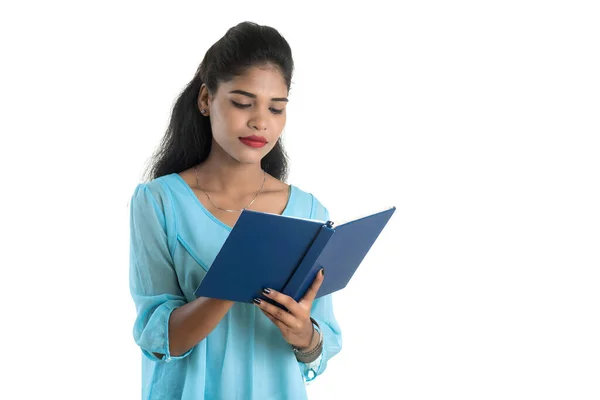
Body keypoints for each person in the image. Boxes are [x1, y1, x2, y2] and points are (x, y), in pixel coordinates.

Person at [128, 21, 342, 399]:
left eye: (276, 108)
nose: (260, 121)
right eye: (243, 103)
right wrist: (230, 283)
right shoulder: (160, 201)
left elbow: (318, 349)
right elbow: (160, 339)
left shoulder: (307, 211)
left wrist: (304, 335)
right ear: (206, 99)